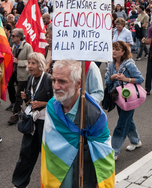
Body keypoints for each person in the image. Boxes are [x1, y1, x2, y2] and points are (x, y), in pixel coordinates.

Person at [41, 59, 115, 187]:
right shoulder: (51, 107)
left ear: (78, 83)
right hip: (55, 178)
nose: (56, 86)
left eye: (62, 81)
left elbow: (104, 157)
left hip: (82, 178)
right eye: (53, 80)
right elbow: (48, 146)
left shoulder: (94, 115)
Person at [12, 53, 53, 188]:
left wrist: (42, 103)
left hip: (45, 122)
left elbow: (56, 102)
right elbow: (31, 100)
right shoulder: (31, 78)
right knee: (26, 153)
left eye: (33, 63)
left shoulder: (48, 79)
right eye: (29, 63)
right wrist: (26, 98)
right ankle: (19, 184)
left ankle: (51, 184)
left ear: (40, 64)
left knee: (47, 156)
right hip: (31, 121)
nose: (29, 66)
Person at [105, 41, 144, 160]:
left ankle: (114, 151)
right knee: (128, 120)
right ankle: (135, 141)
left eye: (117, 49)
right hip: (118, 98)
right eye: (113, 49)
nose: (114, 51)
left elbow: (140, 79)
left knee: (121, 124)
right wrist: (112, 77)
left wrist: (126, 79)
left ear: (123, 52)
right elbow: (107, 80)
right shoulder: (111, 65)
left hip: (129, 97)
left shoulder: (129, 64)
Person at [7, 28, 33, 125]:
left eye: (13, 36)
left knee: (20, 95)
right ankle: (28, 109)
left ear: (20, 37)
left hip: (24, 75)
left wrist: (19, 62)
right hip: (15, 73)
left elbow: (32, 61)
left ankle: (16, 115)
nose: (11, 37)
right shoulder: (14, 46)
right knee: (11, 87)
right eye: (12, 35)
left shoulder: (27, 47)